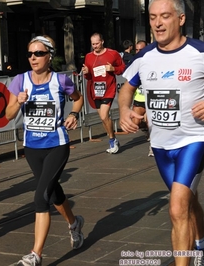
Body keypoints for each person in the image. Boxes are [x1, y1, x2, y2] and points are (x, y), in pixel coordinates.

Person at [118, 0, 204, 265]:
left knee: (177, 207)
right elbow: (126, 89)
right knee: (188, 203)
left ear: (180, 19)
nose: (157, 23)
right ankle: (199, 242)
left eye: (164, 16)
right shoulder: (144, 57)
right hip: (160, 145)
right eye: (153, 17)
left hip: (194, 140)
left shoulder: (199, 52)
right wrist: (123, 111)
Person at [5, 35, 85, 266]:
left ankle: (35, 255)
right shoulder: (20, 80)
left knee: (41, 198)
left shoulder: (61, 81)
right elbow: (8, 115)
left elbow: (78, 99)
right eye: (30, 54)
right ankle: (74, 223)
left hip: (56, 145)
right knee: (53, 191)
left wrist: (73, 114)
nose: (33, 58)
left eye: (39, 53)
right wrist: (18, 102)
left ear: (49, 56)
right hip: (32, 148)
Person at [82, 33, 125, 154]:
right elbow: (88, 76)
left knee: (103, 115)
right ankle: (113, 138)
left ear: (102, 42)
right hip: (95, 90)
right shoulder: (89, 56)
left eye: (97, 43)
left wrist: (113, 69)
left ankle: (111, 140)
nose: (95, 46)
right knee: (104, 118)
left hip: (108, 89)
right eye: (93, 44)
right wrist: (85, 72)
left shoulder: (113, 54)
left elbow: (122, 68)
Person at [131, 40, 153, 157]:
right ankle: (147, 132)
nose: (138, 52)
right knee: (136, 122)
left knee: (151, 122)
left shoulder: (153, 61)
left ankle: (153, 146)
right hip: (139, 98)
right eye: (137, 50)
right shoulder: (135, 62)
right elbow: (128, 84)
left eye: (141, 49)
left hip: (150, 98)